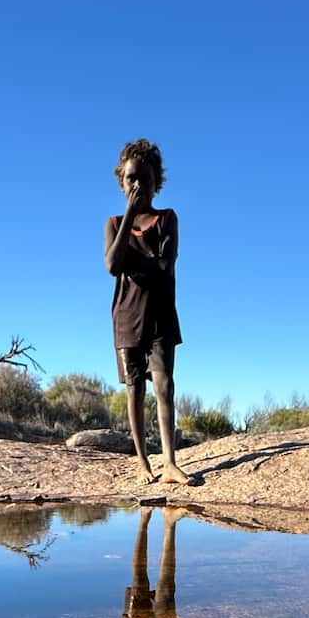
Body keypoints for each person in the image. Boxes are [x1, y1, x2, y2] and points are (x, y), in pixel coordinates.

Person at [104, 139, 196, 486]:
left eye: (144, 178)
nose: (137, 185)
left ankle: (170, 462)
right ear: (121, 182)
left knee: (164, 385)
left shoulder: (166, 219)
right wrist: (129, 215)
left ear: (158, 181)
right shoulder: (114, 223)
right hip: (127, 317)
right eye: (131, 179)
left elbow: (164, 265)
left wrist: (137, 263)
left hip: (159, 315)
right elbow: (113, 265)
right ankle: (142, 462)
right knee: (134, 389)